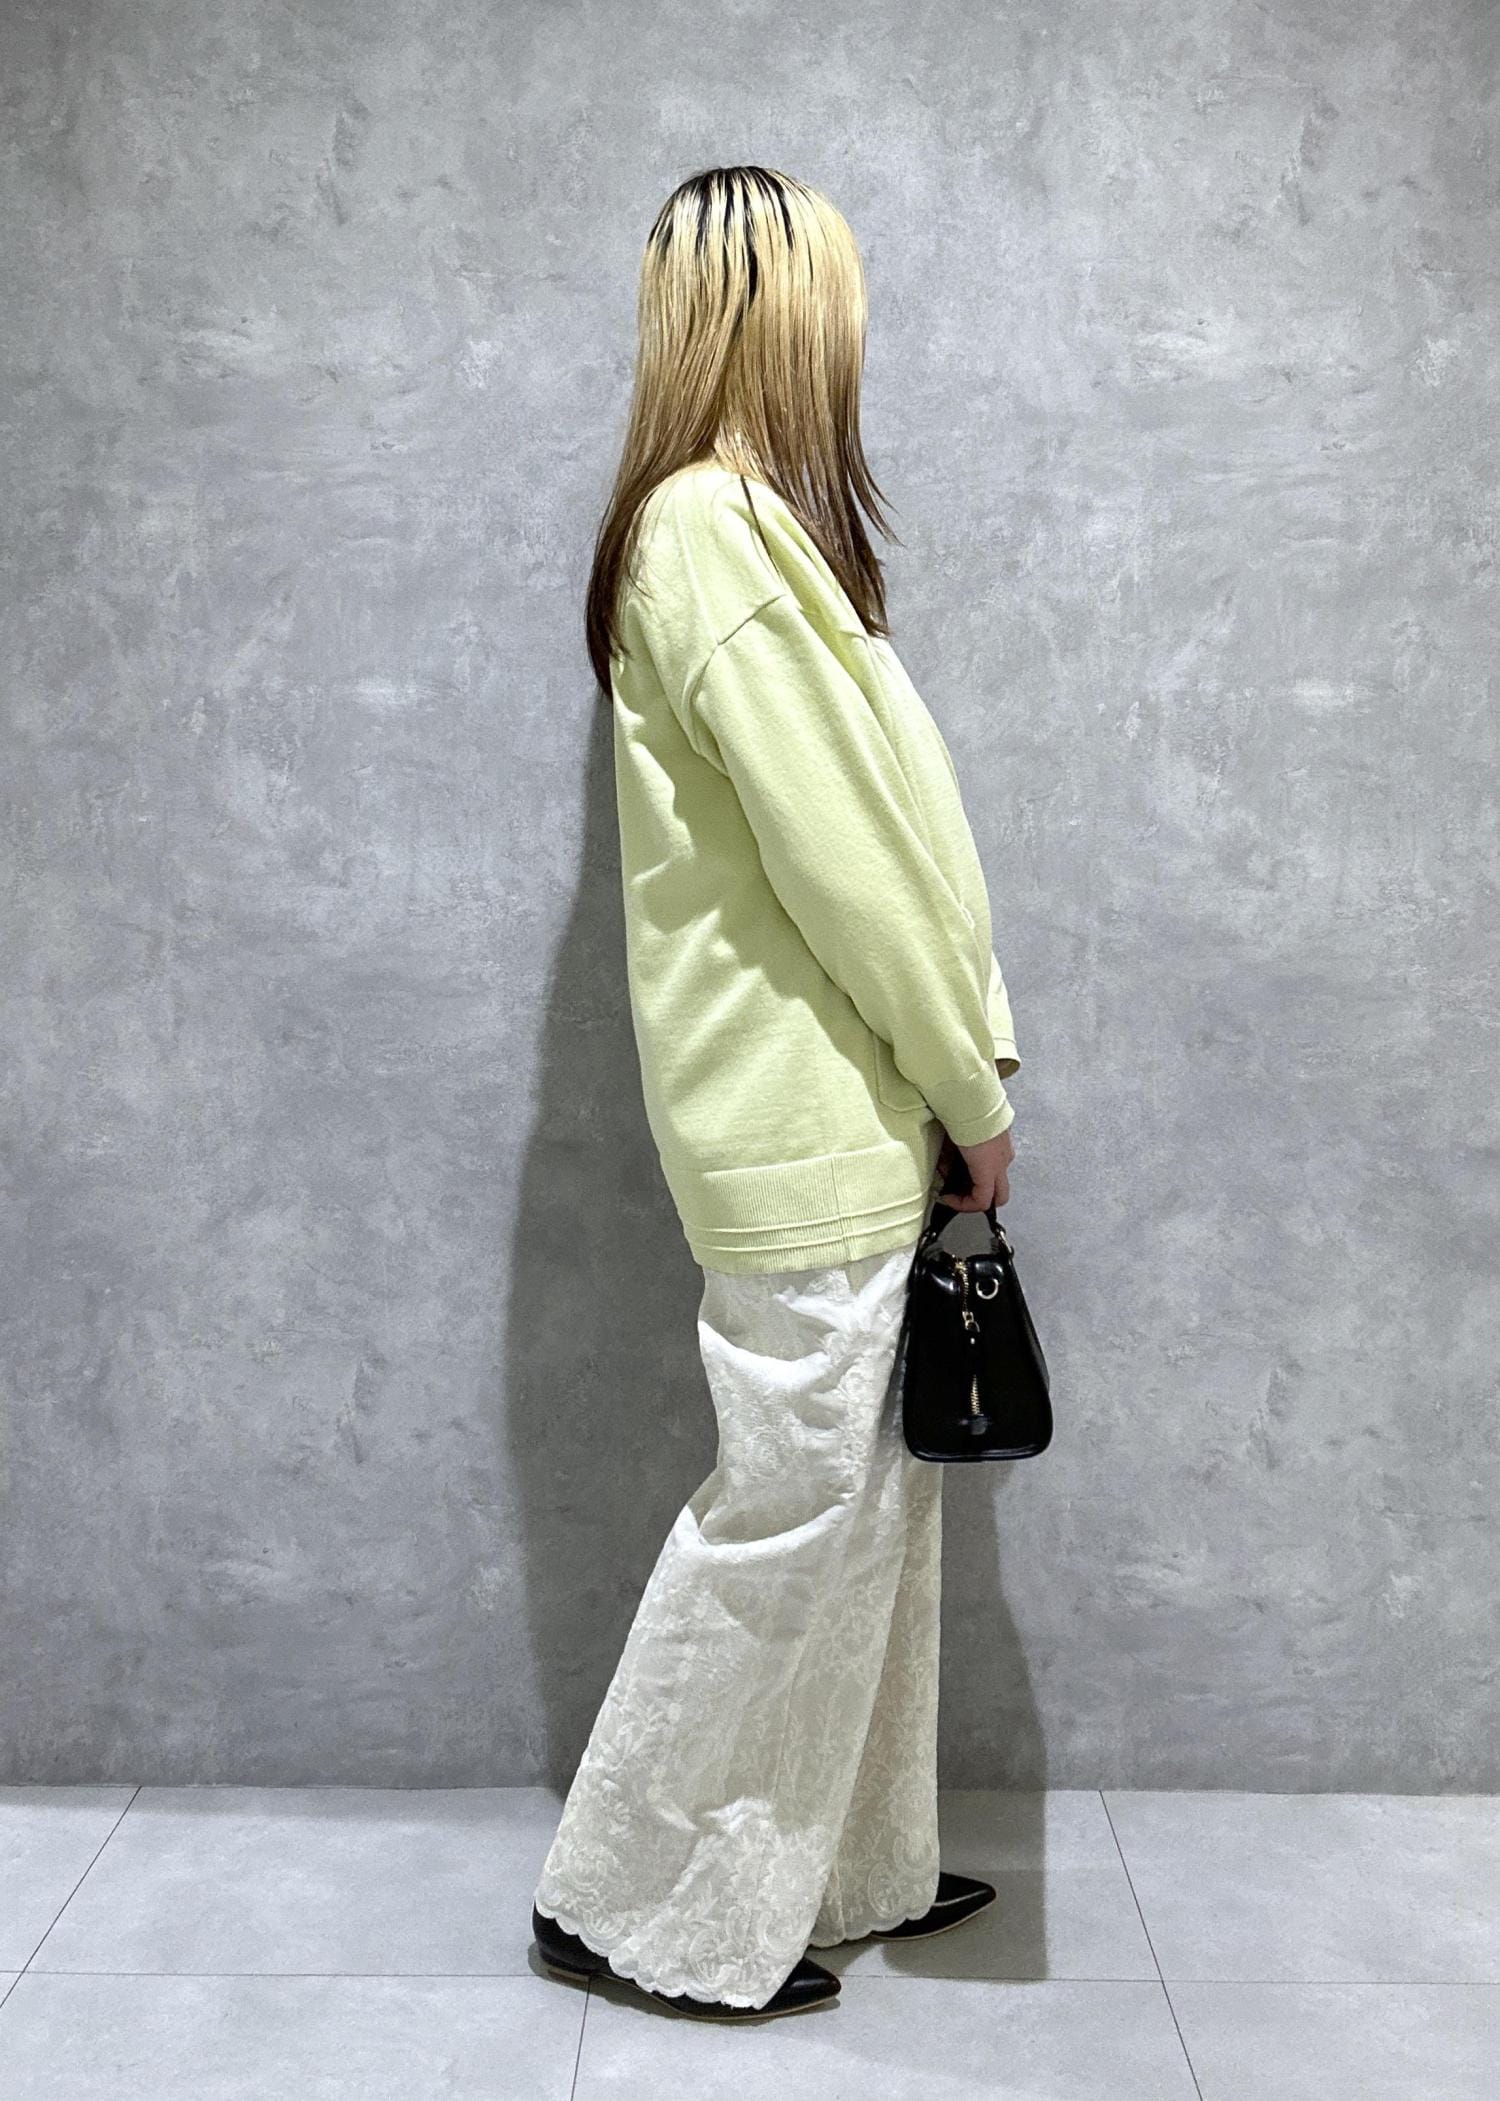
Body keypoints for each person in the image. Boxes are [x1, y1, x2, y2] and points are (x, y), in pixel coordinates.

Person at [530, 165, 1022, 2022]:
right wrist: (967, 1081)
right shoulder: (715, 532)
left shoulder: (733, 529)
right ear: (775, 311)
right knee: (797, 1516)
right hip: (806, 1117)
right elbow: (856, 865)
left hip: (842, 1109)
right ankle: (629, 1899)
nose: (855, 332)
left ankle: (844, 1866)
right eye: (837, 297)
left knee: (871, 1518)